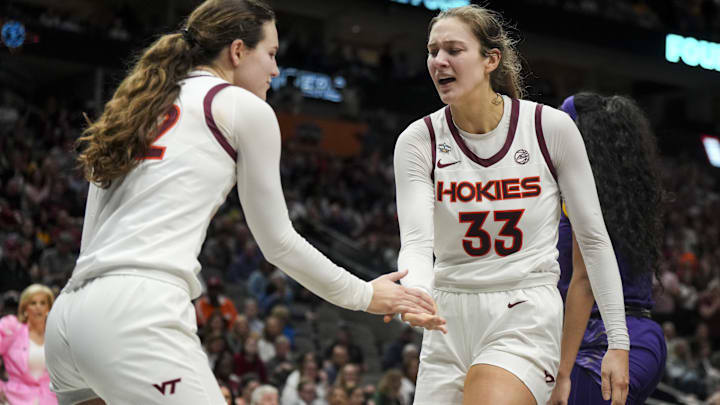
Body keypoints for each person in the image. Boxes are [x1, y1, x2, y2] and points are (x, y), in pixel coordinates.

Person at [43, 1, 436, 404]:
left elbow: (89, 238)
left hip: (70, 316)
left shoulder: (135, 107)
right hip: (135, 312)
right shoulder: (242, 107)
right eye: (271, 54)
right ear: (236, 51)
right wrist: (364, 295)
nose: (275, 70)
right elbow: (278, 243)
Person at [390, 5, 630, 405]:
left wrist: (617, 341)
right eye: (433, 51)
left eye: (453, 49)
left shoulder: (547, 128)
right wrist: (414, 291)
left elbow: (593, 238)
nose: (439, 61)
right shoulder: (418, 141)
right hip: (447, 318)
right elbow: (416, 241)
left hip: (523, 310)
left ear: (491, 60)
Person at [548, 93, 668, 405]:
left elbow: (585, 281)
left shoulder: (582, 195)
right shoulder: (623, 196)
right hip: (638, 337)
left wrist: (561, 373)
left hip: (602, 339)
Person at [0, 284, 57, 405]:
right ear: (25, 308)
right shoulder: (11, 327)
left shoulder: (56, 333)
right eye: (33, 303)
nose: (38, 307)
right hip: (14, 399)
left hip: (51, 399)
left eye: (43, 303)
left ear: (49, 307)